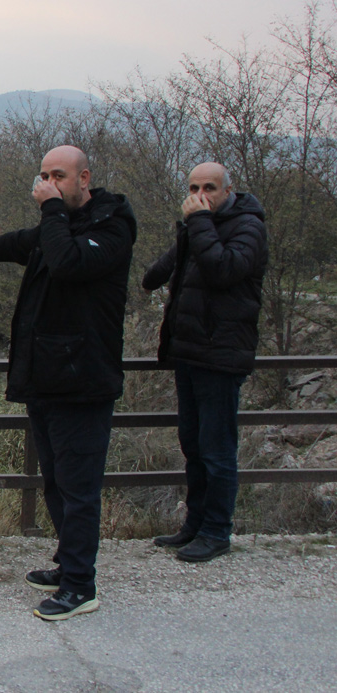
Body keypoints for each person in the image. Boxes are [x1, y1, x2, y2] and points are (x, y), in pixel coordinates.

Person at [0, 146, 136, 621]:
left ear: (85, 178)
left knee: (79, 488)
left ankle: (81, 587)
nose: (50, 183)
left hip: (83, 380)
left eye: (59, 175)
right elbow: (27, 242)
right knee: (57, 482)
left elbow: (65, 262)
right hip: (47, 377)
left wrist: (50, 207)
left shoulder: (112, 225)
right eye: (44, 176)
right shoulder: (59, 224)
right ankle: (68, 564)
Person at [142, 163, 268, 563]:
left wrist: (197, 222)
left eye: (209, 188)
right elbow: (154, 276)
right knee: (193, 445)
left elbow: (221, 269)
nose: (200, 195)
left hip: (221, 355)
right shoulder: (197, 227)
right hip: (190, 353)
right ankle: (194, 525)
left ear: (228, 189)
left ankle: (217, 531)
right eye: (194, 188)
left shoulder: (248, 227)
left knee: (217, 450)